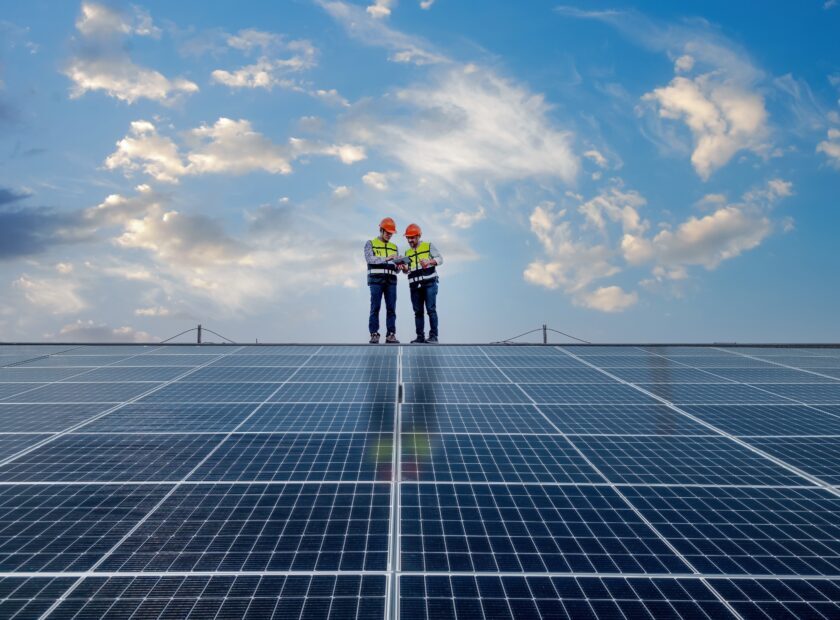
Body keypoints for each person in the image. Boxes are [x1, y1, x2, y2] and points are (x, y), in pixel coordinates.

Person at [364, 217, 403, 344]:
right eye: (387, 232)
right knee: (375, 307)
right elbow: (370, 259)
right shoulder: (370, 243)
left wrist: (399, 266)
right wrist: (386, 258)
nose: (389, 235)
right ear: (381, 230)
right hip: (376, 280)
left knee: (391, 308)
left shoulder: (394, 247)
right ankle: (374, 334)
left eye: (391, 233)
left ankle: (391, 334)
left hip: (391, 281)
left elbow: (396, 268)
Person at [403, 223, 443, 343]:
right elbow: (408, 270)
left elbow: (440, 259)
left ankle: (433, 336)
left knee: (431, 310)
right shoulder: (407, 253)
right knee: (418, 312)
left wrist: (429, 262)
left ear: (418, 236)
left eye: (412, 237)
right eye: (408, 238)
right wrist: (404, 269)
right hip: (415, 287)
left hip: (429, 284)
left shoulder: (428, 246)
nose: (410, 240)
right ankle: (420, 337)